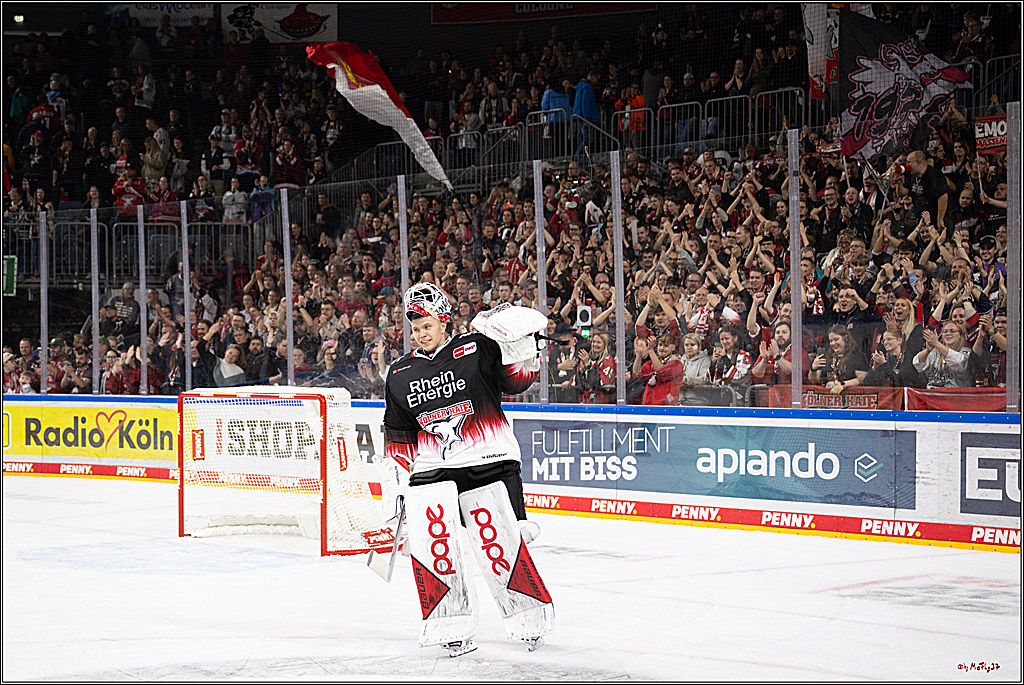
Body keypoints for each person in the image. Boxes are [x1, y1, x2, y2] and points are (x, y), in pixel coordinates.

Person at [382, 283, 553, 657]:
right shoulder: (399, 372)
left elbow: (515, 383)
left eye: (426, 325)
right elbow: (398, 432)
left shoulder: (478, 346)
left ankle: (528, 618)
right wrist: (395, 483)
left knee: (501, 546)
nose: (420, 333)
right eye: (415, 327)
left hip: (489, 463)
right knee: (436, 548)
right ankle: (448, 625)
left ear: (444, 322)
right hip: (432, 470)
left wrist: (527, 355)